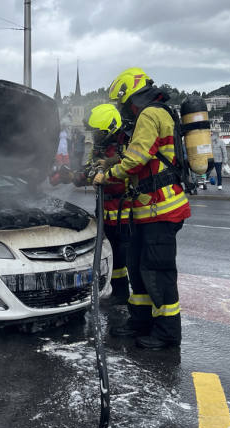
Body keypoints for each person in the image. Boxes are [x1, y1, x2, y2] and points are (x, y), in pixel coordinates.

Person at [94, 68, 191, 349]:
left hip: (161, 209)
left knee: (158, 271)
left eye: (123, 103)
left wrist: (108, 176)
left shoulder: (149, 114)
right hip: (148, 211)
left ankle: (167, 332)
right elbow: (142, 156)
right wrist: (109, 163)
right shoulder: (155, 113)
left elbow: (137, 158)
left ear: (131, 95)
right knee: (137, 267)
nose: (125, 109)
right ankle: (141, 321)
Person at [83, 104, 131, 305]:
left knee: (127, 256)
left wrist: (107, 170)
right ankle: (119, 294)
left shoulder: (126, 145)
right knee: (113, 256)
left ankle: (134, 300)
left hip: (125, 211)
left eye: (98, 131)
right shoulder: (98, 148)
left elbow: (130, 168)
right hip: (104, 210)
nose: (95, 135)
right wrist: (88, 174)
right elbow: (88, 171)